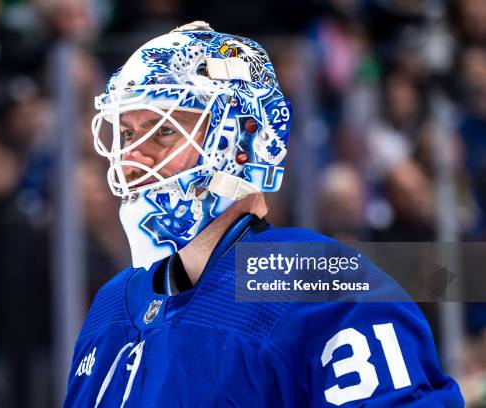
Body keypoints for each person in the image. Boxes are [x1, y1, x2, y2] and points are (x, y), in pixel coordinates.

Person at [64, 21, 464, 407]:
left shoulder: (313, 282)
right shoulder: (113, 305)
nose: (132, 158)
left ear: (244, 137)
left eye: (164, 130)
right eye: (129, 133)